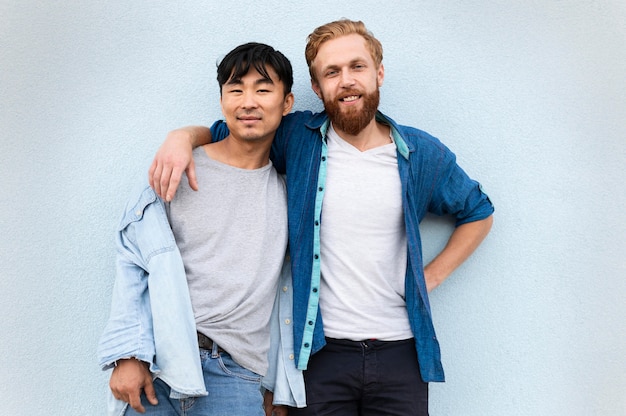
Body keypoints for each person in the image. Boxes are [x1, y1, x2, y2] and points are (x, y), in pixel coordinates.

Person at [149, 19, 494, 416]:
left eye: (357, 67)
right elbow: (232, 132)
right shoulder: (298, 139)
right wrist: (180, 138)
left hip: (402, 351)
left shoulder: (418, 153)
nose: (346, 80)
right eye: (332, 72)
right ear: (317, 88)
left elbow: (478, 211)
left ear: (378, 73)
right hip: (319, 352)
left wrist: (431, 276)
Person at [97, 42, 305, 416]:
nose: (248, 101)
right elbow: (132, 258)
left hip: (236, 375)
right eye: (235, 89)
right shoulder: (177, 169)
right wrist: (126, 354)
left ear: (286, 102)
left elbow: (287, 292)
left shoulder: (291, 191)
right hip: (159, 368)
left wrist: (279, 384)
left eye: (262, 89)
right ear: (222, 99)